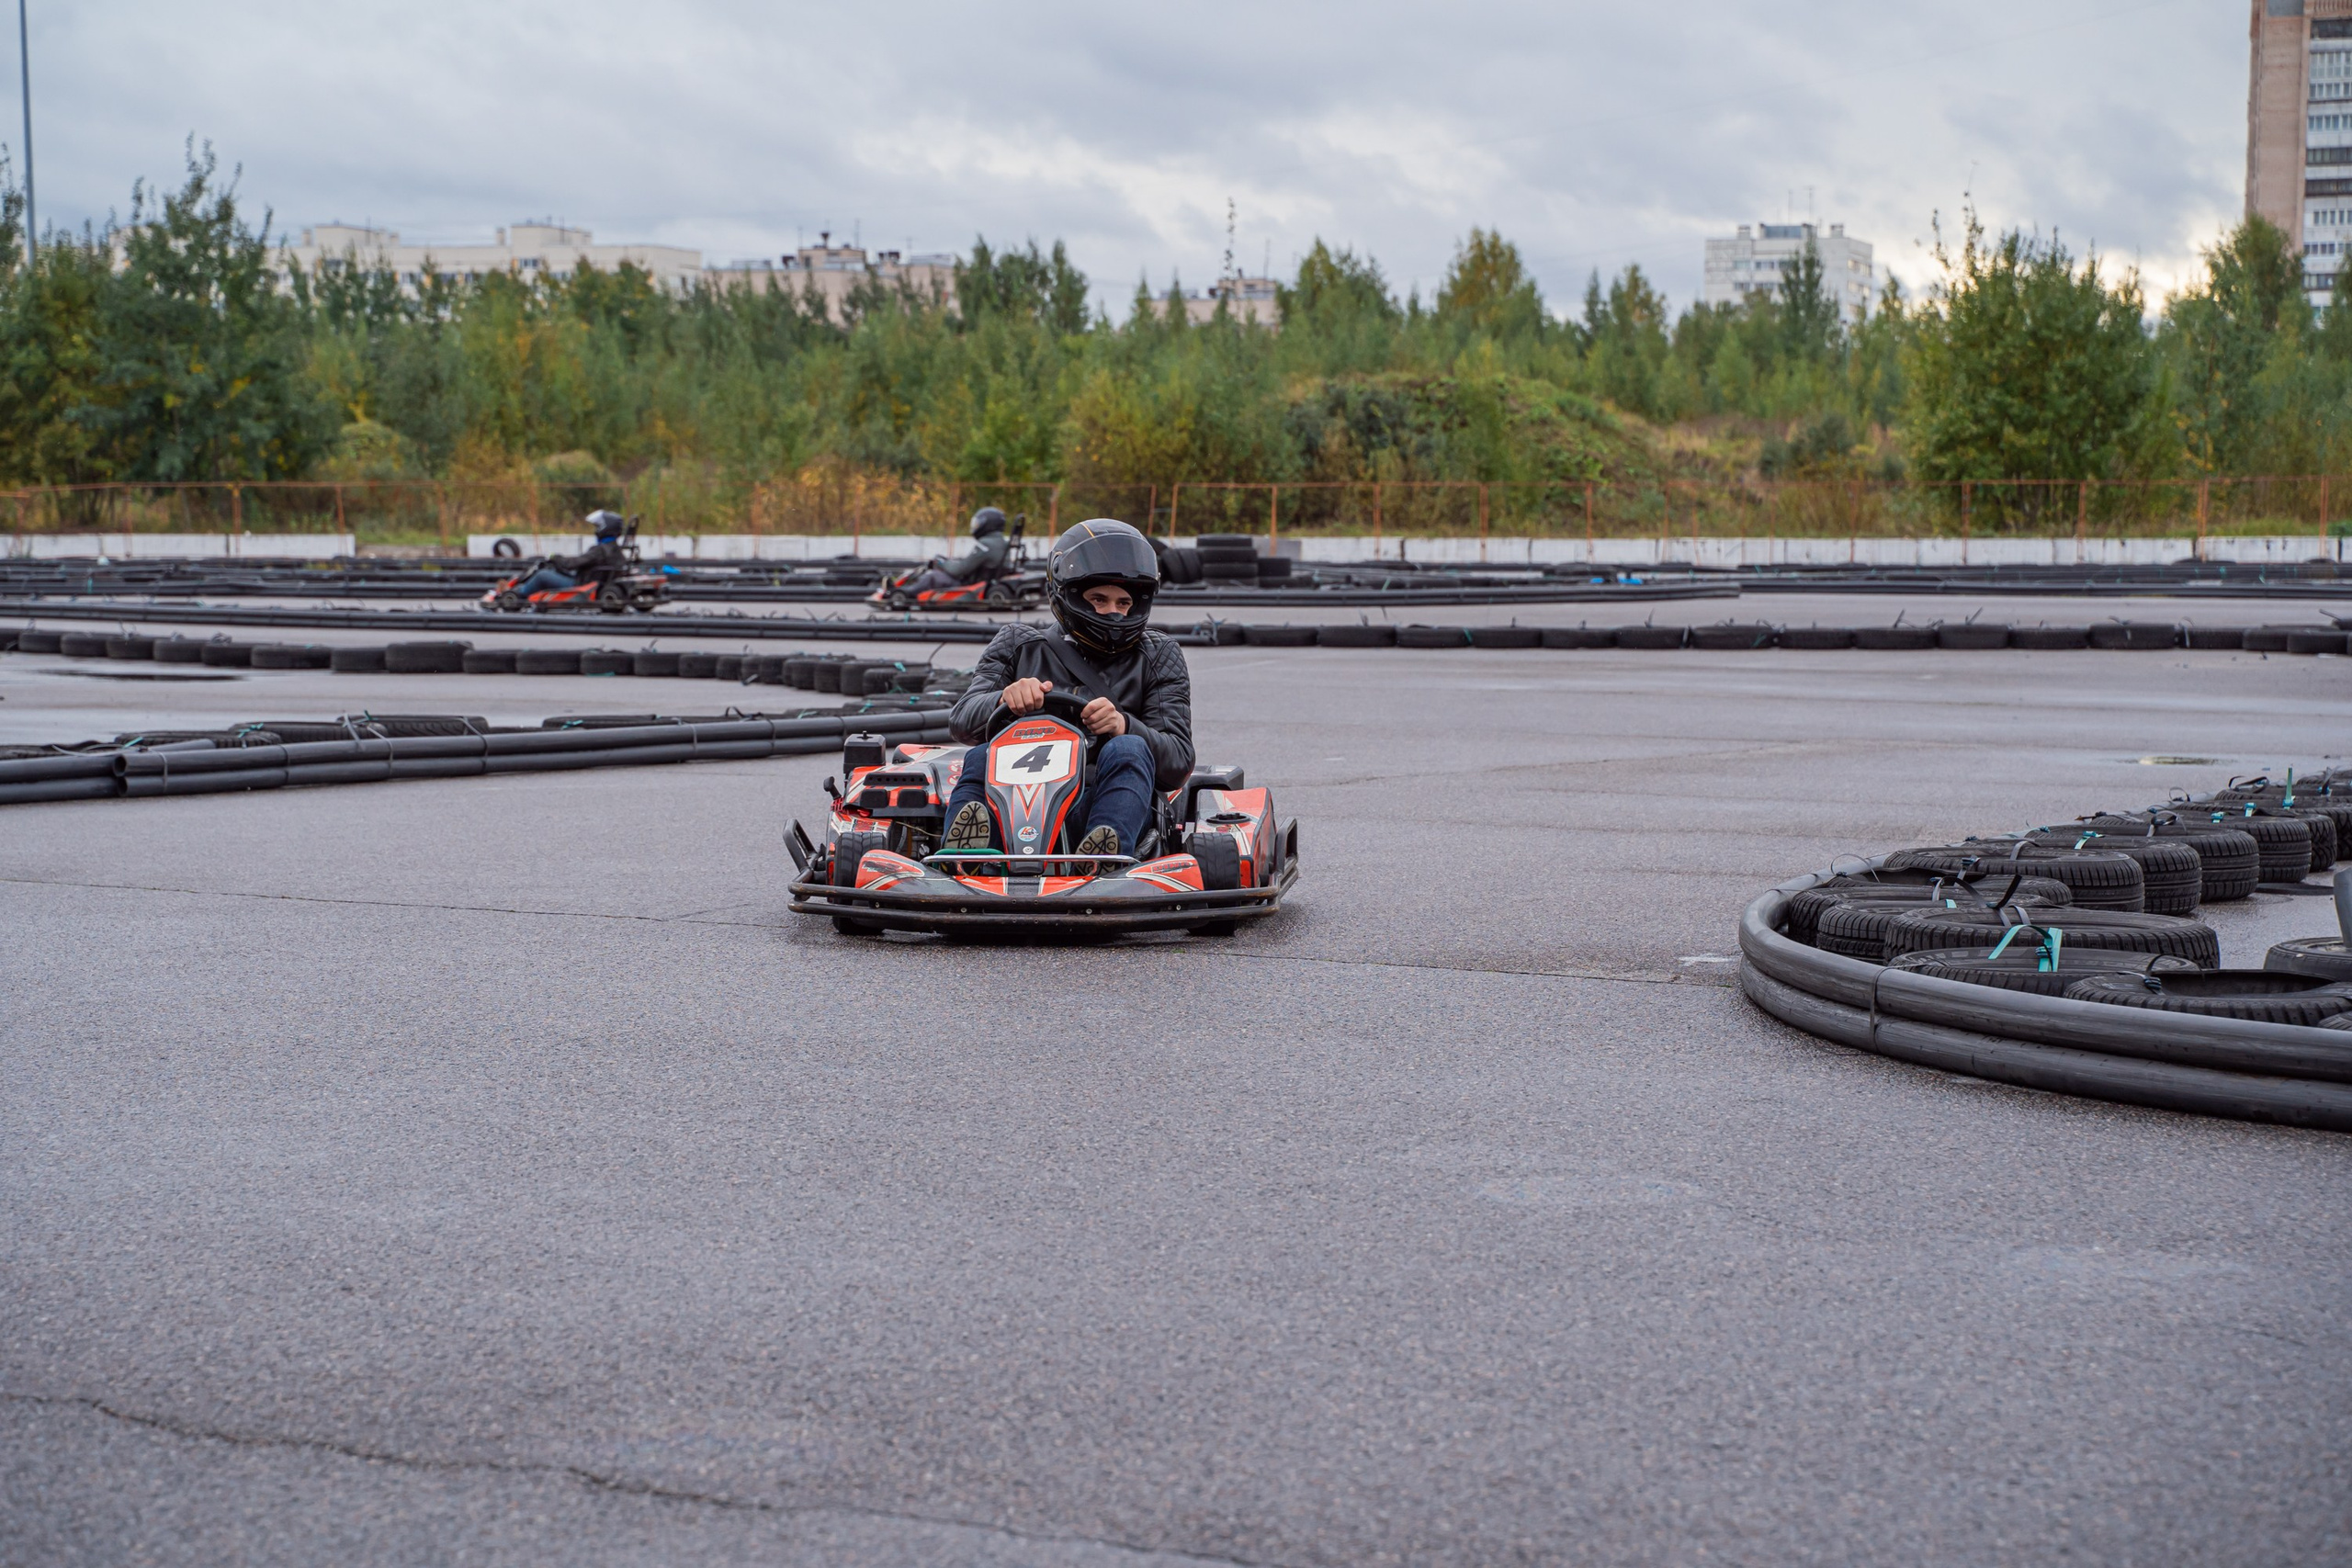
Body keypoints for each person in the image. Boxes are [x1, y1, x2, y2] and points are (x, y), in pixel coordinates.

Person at [943, 518, 1193, 857]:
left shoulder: (1159, 653)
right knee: (981, 755)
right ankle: (967, 856)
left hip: (1100, 801)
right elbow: (961, 722)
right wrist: (1004, 699)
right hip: (1013, 804)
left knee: (1130, 748)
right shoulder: (1019, 643)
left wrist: (1123, 725)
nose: (1113, 613)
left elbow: (1178, 761)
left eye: (1123, 603)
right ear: (1068, 594)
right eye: (1099, 599)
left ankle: (1104, 854)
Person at [508, 511, 629, 599]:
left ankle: (518, 595)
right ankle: (527, 592)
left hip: (580, 584)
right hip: (589, 581)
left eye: (597, 527)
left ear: (604, 529)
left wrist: (555, 557)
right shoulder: (616, 550)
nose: (596, 530)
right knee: (552, 570)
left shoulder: (599, 550)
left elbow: (571, 564)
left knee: (542, 575)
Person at [899, 507, 1012, 594]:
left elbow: (959, 570)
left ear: (987, 525)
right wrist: (951, 561)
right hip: (982, 580)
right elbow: (971, 563)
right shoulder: (1002, 543)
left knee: (932, 576)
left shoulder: (985, 545)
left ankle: (906, 593)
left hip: (968, 584)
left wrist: (942, 562)